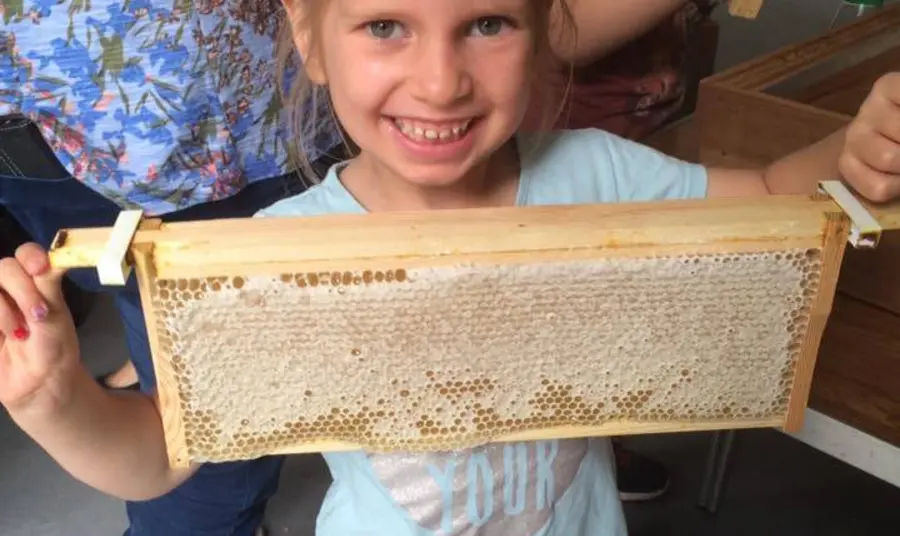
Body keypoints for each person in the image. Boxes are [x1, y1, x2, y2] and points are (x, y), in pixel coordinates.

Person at [1, 0, 899, 535]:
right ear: (309, 37)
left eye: (486, 23)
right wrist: (60, 402)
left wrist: (853, 158)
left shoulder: (598, 176)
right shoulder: (278, 253)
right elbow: (159, 454)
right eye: (387, 24)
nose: (440, 82)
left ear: (549, 29)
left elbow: (778, 200)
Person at [0, 2, 340, 535]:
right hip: (54, 120)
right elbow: (171, 453)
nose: (439, 83)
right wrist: (50, 401)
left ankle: (158, 348)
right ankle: (158, 348)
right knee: (142, 301)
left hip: (189, 100)